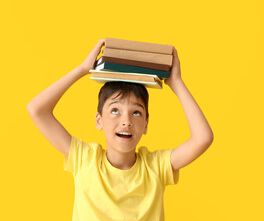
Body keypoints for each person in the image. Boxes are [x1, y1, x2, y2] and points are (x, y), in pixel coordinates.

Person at [26, 38, 213, 221]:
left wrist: (177, 82)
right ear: (99, 121)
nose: (126, 121)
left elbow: (203, 138)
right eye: (115, 110)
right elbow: (36, 109)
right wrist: (82, 70)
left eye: (136, 113)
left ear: (146, 124)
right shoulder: (85, 160)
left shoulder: (155, 167)